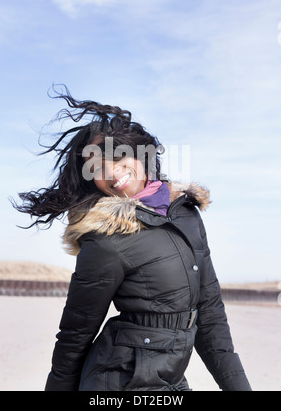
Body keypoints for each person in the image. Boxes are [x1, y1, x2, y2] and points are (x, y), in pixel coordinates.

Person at [13, 87, 252, 391]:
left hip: (171, 379)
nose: (112, 173)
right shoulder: (106, 236)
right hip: (121, 381)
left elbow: (210, 316)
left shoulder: (186, 214)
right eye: (97, 168)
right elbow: (76, 334)